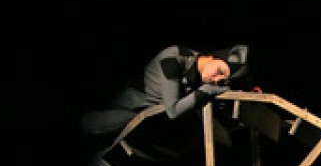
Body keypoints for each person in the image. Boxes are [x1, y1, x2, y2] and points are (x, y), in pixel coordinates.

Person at [80, 44, 253, 143]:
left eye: (222, 80)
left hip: (147, 124)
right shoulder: (173, 58)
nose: (217, 80)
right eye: (220, 71)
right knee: (89, 125)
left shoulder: (199, 74)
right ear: (214, 57)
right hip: (123, 112)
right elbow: (173, 111)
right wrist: (206, 92)